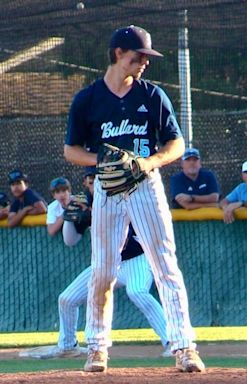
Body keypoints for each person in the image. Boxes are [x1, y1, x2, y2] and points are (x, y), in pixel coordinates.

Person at [64, 25, 205, 373]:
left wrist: (148, 162)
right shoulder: (87, 99)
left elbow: (177, 144)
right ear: (118, 54)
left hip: (146, 185)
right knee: (104, 271)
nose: (145, 62)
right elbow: (71, 150)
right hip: (109, 189)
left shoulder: (152, 95)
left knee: (165, 266)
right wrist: (103, 161)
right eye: (139, 56)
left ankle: (184, 346)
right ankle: (97, 349)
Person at [25, 176, 170, 360]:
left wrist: (90, 213)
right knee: (67, 299)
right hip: (105, 263)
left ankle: (171, 341)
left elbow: (111, 218)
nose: (94, 184)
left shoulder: (123, 194)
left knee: (137, 291)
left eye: (96, 179)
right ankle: (68, 346)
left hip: (136, 259)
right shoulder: (84, 201)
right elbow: (70, 241)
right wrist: (69, 218)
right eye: (90, 181)